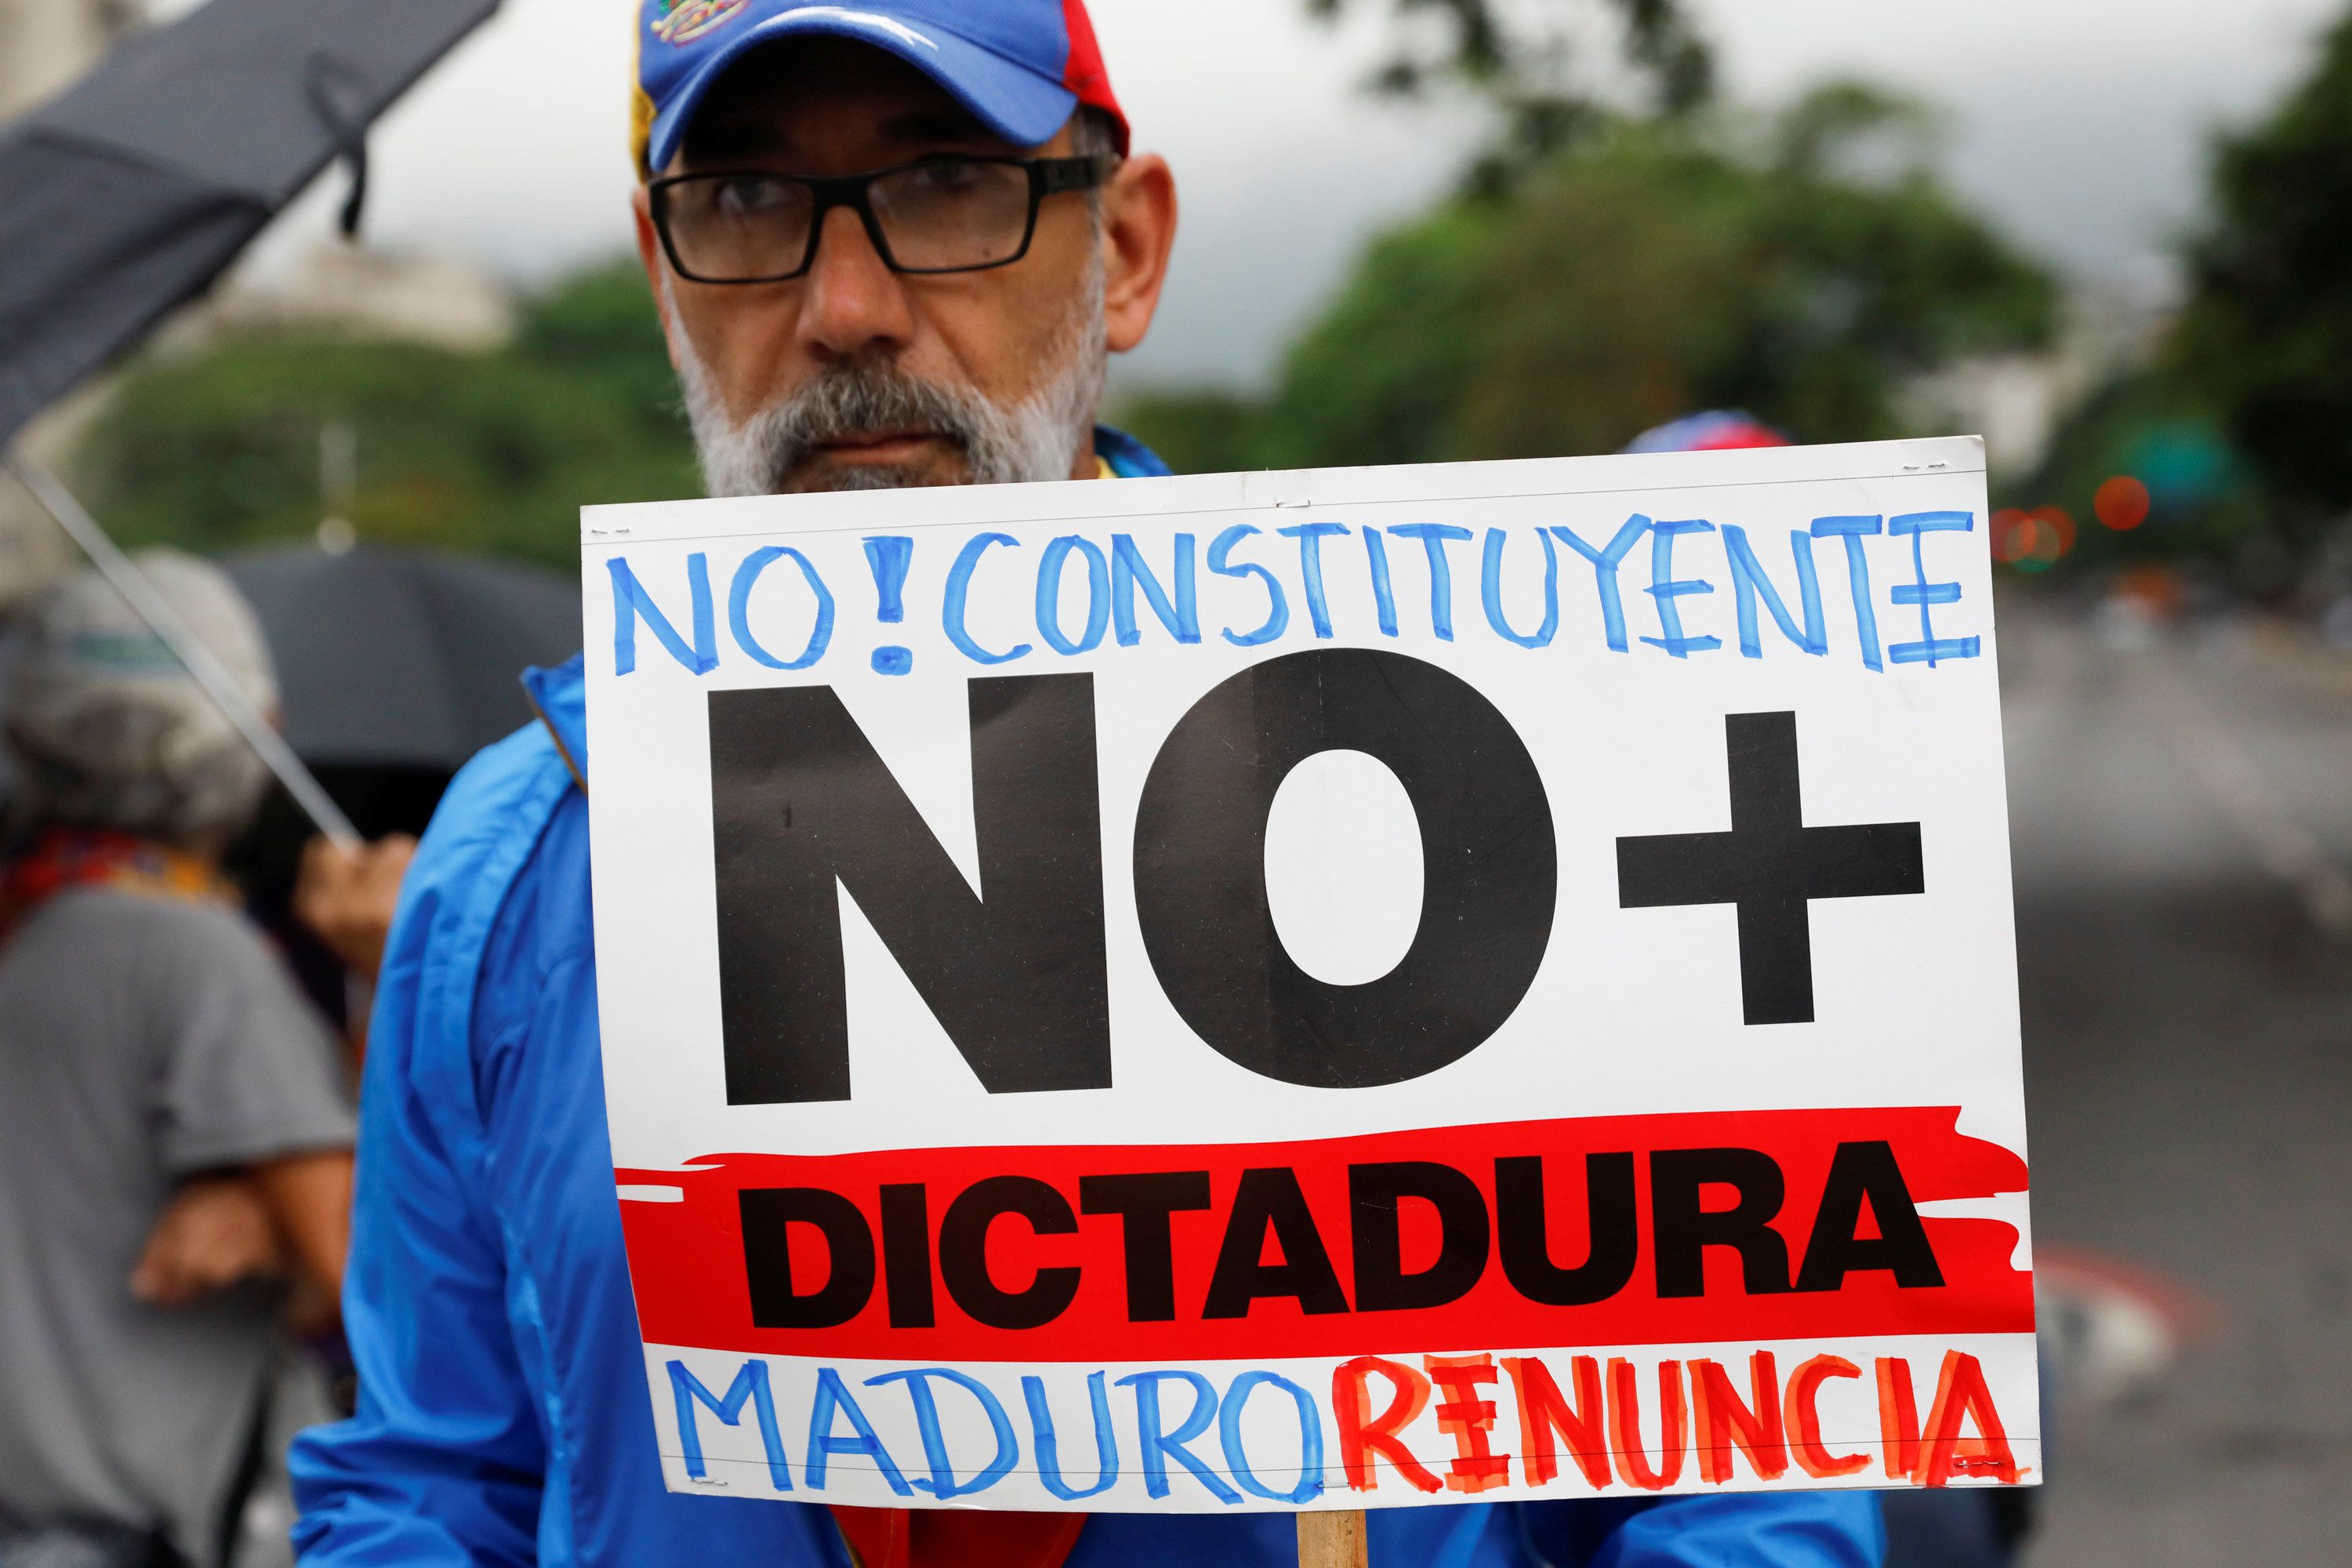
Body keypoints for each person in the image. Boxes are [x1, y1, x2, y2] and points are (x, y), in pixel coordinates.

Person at [289, 5, 1887, 1564]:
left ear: (1121, 251)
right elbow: (427, 1483)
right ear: (664, 277)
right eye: (751, 202)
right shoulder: (510, 863)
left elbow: (1737, 1479)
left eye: (942, 185)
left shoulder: (1502, 758)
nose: (845, 306)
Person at [0, 554, 358, 1568]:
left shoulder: (33, 932)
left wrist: (264, 1210)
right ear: (255, 734)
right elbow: (363, 1272)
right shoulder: (194, 957)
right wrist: (402, 971)